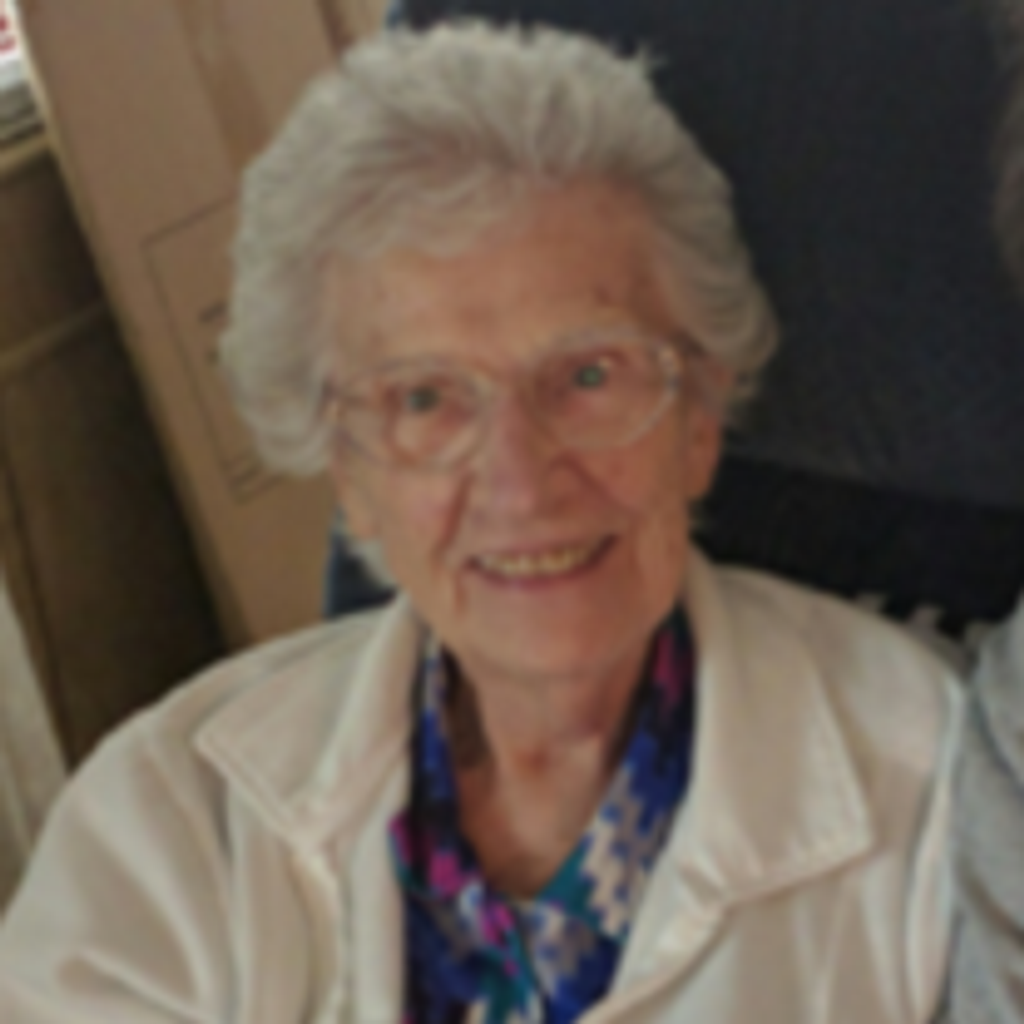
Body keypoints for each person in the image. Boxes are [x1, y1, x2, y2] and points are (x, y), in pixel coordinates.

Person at [0, 23, 962, 1023]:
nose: (520, 482)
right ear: (348, 471)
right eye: (424, 399)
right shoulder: (169, 826)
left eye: (589, 375)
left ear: (700, 421)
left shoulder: (932, 788)